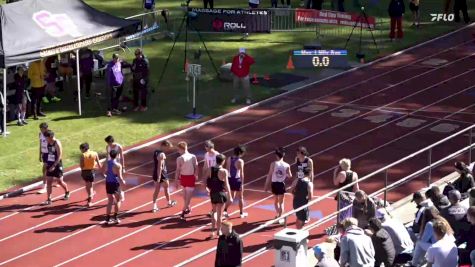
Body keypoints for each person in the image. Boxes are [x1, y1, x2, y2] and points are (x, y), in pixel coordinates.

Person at [207, 154, 233, 239]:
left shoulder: (210, 169)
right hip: (221, 193)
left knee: (213, 212)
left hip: (213, 193)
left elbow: (208, 180)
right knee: (219, 214)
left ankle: (212, 231)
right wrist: (230, 195)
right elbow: (227, 184)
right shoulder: (223, 171)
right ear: (223, 161)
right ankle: (218, 231)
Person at [264, 147, 292, 225]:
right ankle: (280, 216)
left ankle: (278, 215)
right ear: (284, 155)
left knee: (276, 202)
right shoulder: (287, 165)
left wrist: (266, 185)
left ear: (276, 155)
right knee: (281, 202)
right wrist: (285, 174)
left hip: (274, 184)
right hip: (281, 184)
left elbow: (269, 175)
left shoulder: (273, 164)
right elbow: (290, 176)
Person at [43, 130, 70, 205]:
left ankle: (67, 191)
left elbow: (60, 156)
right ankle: (49, 198)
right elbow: (48, 153)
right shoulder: (48, 142)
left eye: (46, 138)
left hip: (57, 164)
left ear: (51, 137)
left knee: (59, 181)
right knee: (49, 182)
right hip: (50, 163)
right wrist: (46, 162)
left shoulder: (57, 143)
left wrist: (54, 166)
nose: (46, 139)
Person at [175, 141, 198, 220]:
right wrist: (176, 180)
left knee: (188, 197)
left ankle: (182, 212)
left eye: (178, 149)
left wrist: (196, 175)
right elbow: (178, 170)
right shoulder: (179, 158)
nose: (178, 151)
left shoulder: (192, 156)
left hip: (190, 178)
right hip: (183, 178)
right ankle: (188, 208)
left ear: (182, 149)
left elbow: (196, 166)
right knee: (185, 197)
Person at [152, 140, 177, 212]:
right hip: (162, 174)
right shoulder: (162, 154)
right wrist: (159, 177)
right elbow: (160, 166)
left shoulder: (155, 152)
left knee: (156, 190)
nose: (168, 149)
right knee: (166, 188)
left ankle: (154, 205)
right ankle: (169, 202)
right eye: (167, 147)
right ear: (164, 146)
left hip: (155, 173)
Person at [102, 150, 126, 225]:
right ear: (117, 156)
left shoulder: (106, 162)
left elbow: (103, 171)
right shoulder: (118, 165)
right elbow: (120, 176)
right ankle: (115, 217)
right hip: (115, 183)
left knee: (110, 200)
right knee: (118, 200)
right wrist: (123, 182)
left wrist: (106, 175)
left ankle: (107, 218)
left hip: (108, 182)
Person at [224, 145, 248, 218]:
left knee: (231, 197)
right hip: (237, 180)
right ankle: (241, 213)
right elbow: (241, 173)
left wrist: (226, 180)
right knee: (240, 197)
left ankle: (224, 210)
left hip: (230, 179)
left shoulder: (229, 159)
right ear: (241, 153)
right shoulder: (240, 161)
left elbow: (227, 169)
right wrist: (242, 184)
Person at [333, 158, 359, 223]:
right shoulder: (355, 174)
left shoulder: (342, 173)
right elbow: (356, 187)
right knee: (348, 212)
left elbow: (335, 183)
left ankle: (341, 227)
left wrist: (334, 173)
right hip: (350, 196)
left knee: (341, 213)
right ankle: (348, 225)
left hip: (342, 196)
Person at [80, 143, 101, 207]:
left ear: (83, 149)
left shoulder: (83, 155)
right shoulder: (95, 153)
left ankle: (89, 197)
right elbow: (99, 163)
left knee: (87, 184)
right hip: (91, 171)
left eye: (81, 149)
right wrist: (101, 170)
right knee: (91, 186)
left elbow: (81, 166)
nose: (81, 151)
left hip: (84, 172)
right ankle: (90, 199)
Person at [105, 135, 126, 201]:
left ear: (111, 141)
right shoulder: (107, 147)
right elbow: (107, 156)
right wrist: (106, 166)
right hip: (110, 165)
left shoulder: (119, 147)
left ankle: (121, 193)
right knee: (112, 179)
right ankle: (116, 194)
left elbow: (122, 157)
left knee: (119, 179)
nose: (108, 144)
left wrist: (123, 167)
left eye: (108, 142)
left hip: (117, 165)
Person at [203, 140, 220, 217]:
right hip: (210, 176)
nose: (205, 148)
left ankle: (217, 210)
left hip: (216, 177)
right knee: (212, 193)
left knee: (216, 193)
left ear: (209, 147)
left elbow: (220, 166)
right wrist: (204, 176)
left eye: (206, 147)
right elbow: (205, 165)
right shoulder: (206, 154)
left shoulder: (217, 155)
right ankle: (214, 209)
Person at [37, 123, 51, 194]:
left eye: (42, 129)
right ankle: (58, 179)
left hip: (49, 153)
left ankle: (44, 186)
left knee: (45, 169)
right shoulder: (40, 134)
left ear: (46, 129)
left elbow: (52, 144)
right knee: (45, 170)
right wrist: (40, 155)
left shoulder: (50, 134)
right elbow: (40, 144)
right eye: (40, 129)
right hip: (44, 153)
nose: (41, 130)